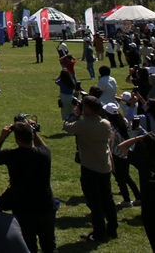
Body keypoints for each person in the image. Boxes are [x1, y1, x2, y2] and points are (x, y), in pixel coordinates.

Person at [0, 119, 56, 253]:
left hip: (23, 208)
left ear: (17, 140)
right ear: (31, 136)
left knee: (28, 245)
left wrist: (2, 136)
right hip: (45, 205)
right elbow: (43, 146)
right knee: (49, 244)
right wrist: (33, 132)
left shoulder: (12, 155)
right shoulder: (44, 154)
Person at [62, 96, 118, 243]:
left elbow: (66, 126)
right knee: (108, 199)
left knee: (94, 202)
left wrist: (76, 114)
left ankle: (98, 233)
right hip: (104, 166)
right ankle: (112, 229)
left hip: (90, 167)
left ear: (87, 109)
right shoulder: (105, 123)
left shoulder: (82, 124)